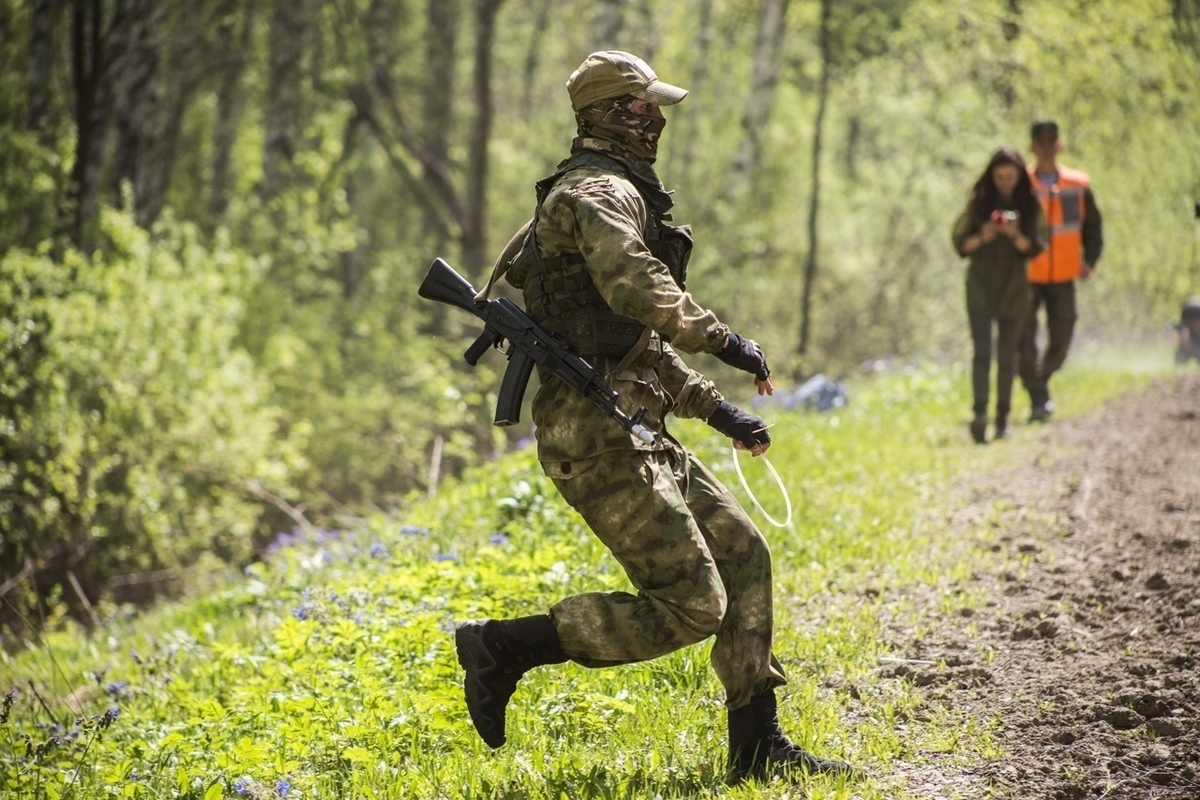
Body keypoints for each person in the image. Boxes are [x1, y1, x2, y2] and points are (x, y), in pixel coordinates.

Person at [453, 50, 853, 783]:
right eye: (644, 107)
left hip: (633, 425)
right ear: (610, 114)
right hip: (596, 438)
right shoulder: (599, 194)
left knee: (745, 555)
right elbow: (638, 290)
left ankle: (755, 743)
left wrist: (724, 413)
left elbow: (631, 349)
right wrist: (726, 339)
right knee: (693, 604)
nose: (658, 119)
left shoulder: (617, 192)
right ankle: (504, 647)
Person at [952, 147, 1047, 443]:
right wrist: (986, 233)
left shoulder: (1030, 206)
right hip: (980, 288)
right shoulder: (978, 203)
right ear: (991, 176)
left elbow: (1038, 245)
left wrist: (1015, 233)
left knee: (1008, 357)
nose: (1005, 182)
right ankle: (980, 413)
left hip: (1014, 290)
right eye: (999, 176)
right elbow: (960, 245)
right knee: (982, 353)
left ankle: (1002, 418)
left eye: (1010, 176)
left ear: (1019, 177)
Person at [1019, 120, 1104, 422]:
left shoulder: (1077, 185)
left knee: (1062, 338)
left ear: (1059, 144)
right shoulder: (1021, 183)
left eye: (1050, 140)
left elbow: (1092, 226)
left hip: (1064, 275)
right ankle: (1038, 397)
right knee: (1023, 340)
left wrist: (1089, 260)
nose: (1045, 146)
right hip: (1028, 275)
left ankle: (1040, 382)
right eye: (1040, 141)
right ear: (1031, 146)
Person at [1176, 296, 1200, 365]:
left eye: (1196, 319)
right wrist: (1184, 343)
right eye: (1191, 319)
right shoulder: (1186, 330)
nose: (1193, 323)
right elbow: (1179, 359)